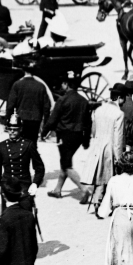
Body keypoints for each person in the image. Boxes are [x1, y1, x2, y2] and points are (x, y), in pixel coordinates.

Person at [45, 71, 92, 199]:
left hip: (64, 136)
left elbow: (52, 120)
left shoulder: (62, 100)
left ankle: (83, 189)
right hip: (78, 137)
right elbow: (88, 123)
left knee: (66, 165)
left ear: (66, 84)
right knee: (65, 161)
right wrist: (86, 140)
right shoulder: (84, 101)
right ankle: (57, 190)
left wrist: (44, 132)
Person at [80, 84, 127, 210]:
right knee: (107, 177)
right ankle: (101, 203)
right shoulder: (119, 114)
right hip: (110, 148)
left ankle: (96, 200)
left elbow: (93, 131)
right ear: (119, 98)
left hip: (97, 145)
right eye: (123, 98)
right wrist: (119, 157)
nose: (124, 102)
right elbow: (118, 139)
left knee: (98, 175)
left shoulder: (98, 110)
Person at [0, 118, 45, 217]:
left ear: (20, 129)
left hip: (24, 187)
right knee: (7, 219)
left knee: (25, 218)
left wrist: (35, 183)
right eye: (10, 129)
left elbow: (39, 167)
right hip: (7, 189)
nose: (12, 131)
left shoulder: (28, 145)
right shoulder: (1, 146)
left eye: (15, 129)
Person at [6, 69, 51, 137]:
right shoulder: (41, 86)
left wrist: (8, 119)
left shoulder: (17, 84)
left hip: (21, 118)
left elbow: (10, 105)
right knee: (32, 142)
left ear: (24, 71)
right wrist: (46, 123)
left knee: (21, 142)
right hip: (36, 119)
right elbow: (46, 107)